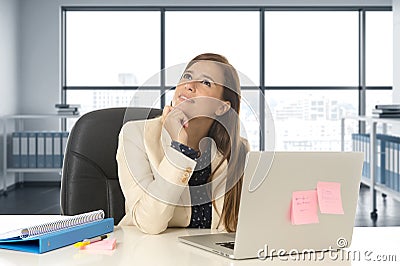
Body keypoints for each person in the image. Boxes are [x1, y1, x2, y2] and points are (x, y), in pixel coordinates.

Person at [116, 53, 249, 234]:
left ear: (222, 107)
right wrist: (180, 150)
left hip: (211, 257)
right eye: (187, 76)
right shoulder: (136, 134)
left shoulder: (237, 148)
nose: (189, 85)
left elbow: (238, 224)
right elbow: (150, 223)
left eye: (205, 82)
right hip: (149, 252)